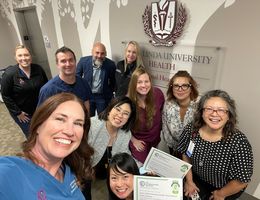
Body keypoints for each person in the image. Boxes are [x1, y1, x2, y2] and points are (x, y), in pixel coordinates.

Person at [0, 92, 94, 199]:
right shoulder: (8, 175)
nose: (69, 131)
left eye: (78, 123)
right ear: (38, 125)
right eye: (60, 119)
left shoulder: (69, 170)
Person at [177, 90, 253, 200]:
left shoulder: (239, 143)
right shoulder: (191, 129)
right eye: (209, 109)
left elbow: (242, 181)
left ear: (229, 115)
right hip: (197, 179)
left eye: (221, 110)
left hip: (225, 188)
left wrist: (221, 194)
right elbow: (185, 153)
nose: (214, 114)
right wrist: (189, 181)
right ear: (201, 112)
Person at [1, 44, 48, 137]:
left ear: (31, 56)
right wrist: (17, 112)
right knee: (32, 135)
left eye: (26, 55)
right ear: (15, 57)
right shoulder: (10, 74)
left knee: (43, 131)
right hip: (23, 114)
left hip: (39, 109)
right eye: (20, 55)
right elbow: (5, 95)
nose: (24, 58)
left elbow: (46, 87)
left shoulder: (38, 69)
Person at [128, 67, 165, 165]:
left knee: (153, 167)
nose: (144, 85)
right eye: (139, 82)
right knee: (142, 169)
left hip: (155, 140)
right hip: (140, 142)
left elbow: (162, 115)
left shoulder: (158, 94)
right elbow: (121, 126)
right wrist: (133, 140)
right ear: (133, 85)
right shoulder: (128, 102)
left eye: (146, 81)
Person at [38, 46, 91, 112]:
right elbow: (42, 116)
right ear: (57, 64)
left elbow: (86, 106)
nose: (68, 64)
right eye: (63, 61)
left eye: (71, 60)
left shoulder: (83, 83)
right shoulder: (48, 90)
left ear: (75, 62)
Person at [162, 70, 199, 157]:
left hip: (195, 153)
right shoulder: (168, 104)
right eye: (176, 86)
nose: (180, 89)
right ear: (172, 88)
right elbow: (166, 131)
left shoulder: (199, 107)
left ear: (191, 88)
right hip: (174, 150)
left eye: (185, 86)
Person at [76, 42, 116, 116]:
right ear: (92, 52)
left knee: (102, 118)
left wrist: (109, 93)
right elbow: (77, 77)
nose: (99, 56)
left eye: (102, 53)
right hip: (88, 96)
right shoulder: (83, 61)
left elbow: (113, 81)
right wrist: (81, 91)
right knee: (89, 117)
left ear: (105, 54)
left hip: (102, 97)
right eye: (97, 53)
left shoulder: (110, 64)